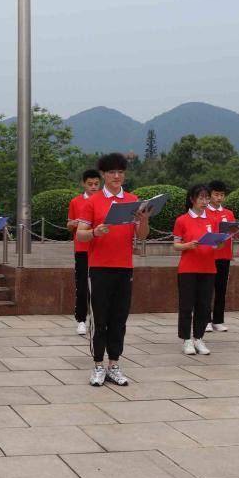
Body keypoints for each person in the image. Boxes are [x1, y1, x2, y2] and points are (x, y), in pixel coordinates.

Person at [74, 152, 150, 386]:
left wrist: (144, 219)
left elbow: (142, 236)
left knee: (119, 319)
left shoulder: (133, 200)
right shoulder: (92, 201)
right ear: (103, 175)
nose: (117, 176)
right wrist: (95, 232)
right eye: (112, 172)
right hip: (99, 268)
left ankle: (114, 364)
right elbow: (80, 234)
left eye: (120, 172)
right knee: (100, 319)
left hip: (124, 267)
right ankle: (98, 365)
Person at [173, 184, 217, 355]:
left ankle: (198, 338)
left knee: (204, 306)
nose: (205, 201)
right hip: (188, 268)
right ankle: (186, 339)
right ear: (192, 199)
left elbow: (217, 245)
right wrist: (188, 245)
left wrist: (221, 241)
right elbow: (176, 245)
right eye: (201, 198)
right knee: (186, 305)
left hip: (208, 268)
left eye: (207, 198)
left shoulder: (212, 220)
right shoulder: (182, 220)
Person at [67, 170, 102, 336]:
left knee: (99, 287)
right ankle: (81, 319)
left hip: (100, 248)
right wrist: (74, 223)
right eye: (90, 184)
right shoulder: (76, 202)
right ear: (83, 183)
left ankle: (97, 319)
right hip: (82, 249)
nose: (93, 187)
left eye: (96, 184)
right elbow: (69, 224)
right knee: (82, 285)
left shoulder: (104, 201)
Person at [205, 180, 235, 332]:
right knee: (206, 289)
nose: (219, 198)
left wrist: (238, 230)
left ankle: (218, 320)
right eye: (216, 195)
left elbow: (234, 232)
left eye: (222, 195)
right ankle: (205, 320)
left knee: (221, 289)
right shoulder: (204, 212)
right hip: (209, 255)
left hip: (224, 255)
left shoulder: (228, 213)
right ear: (210, 195)